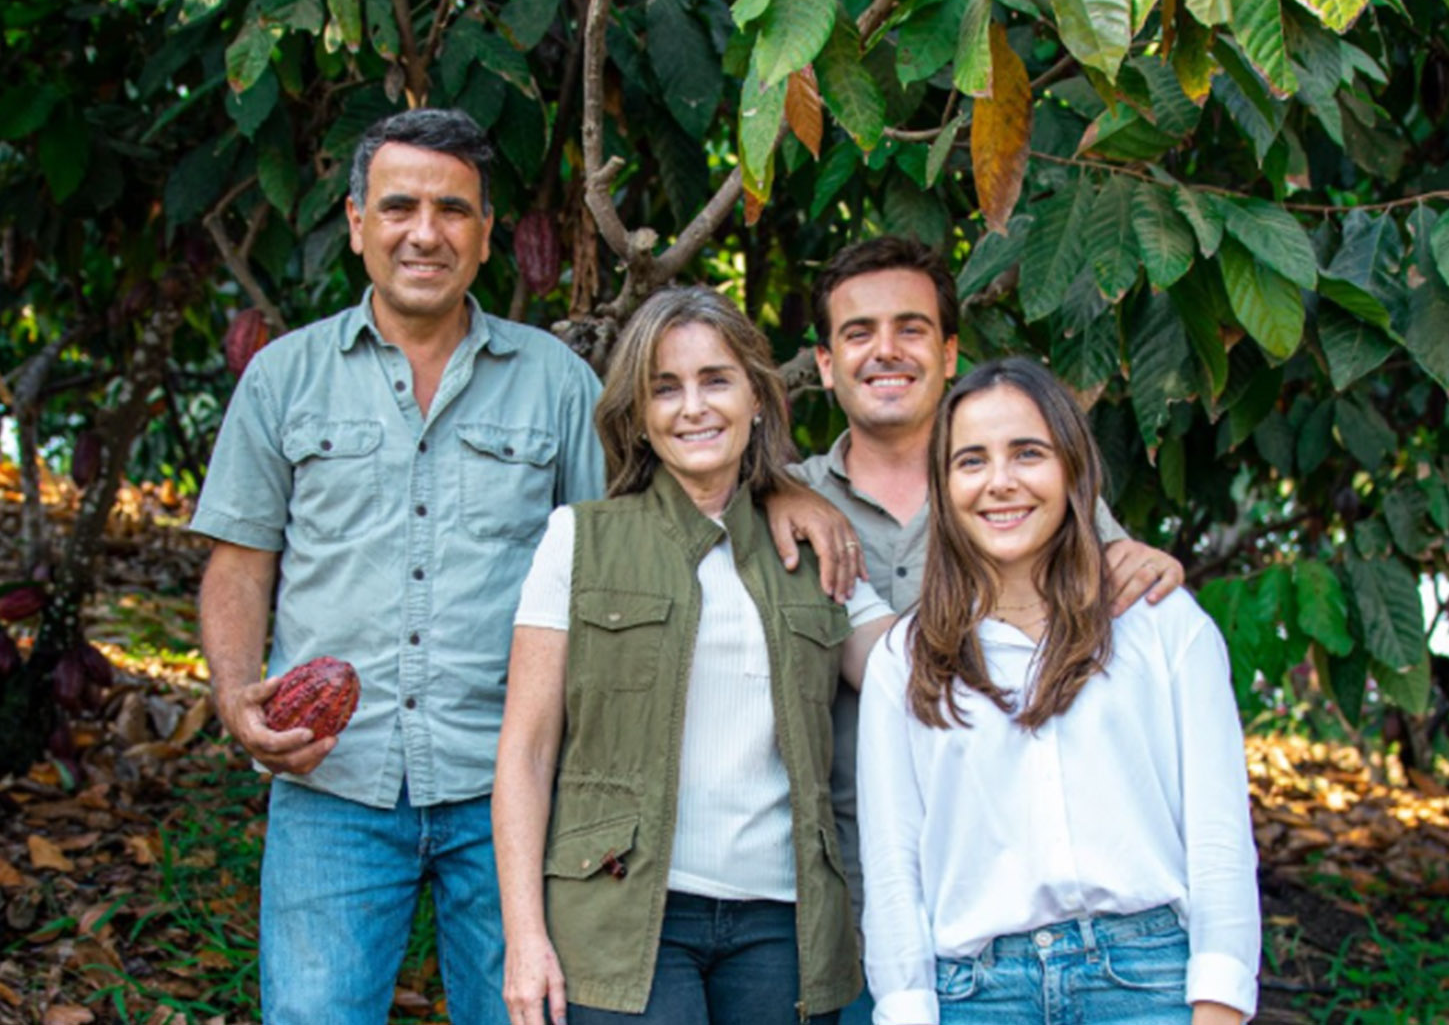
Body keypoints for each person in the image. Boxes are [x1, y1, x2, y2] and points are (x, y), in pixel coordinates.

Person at [193, 109, 854, 1025]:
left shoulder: (555, 384)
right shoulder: (284, 378)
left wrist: (778, 487)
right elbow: (239, 561)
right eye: (398, 207)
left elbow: (653, 508)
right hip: (333, 784)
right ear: (355, 223)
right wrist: (234, 695)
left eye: (452, 210)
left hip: (502, 787)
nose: (425, 232)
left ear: (486, 231)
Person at [791, 237, 1186, 1025]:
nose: (885, 351)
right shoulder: (787, 500)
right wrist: (773, 493)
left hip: (1026, 901)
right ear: (826, 364)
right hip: (851, 896)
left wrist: (1146, 568)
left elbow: (1121, 610)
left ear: (947, 353)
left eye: (910, 328)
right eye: (857, 332)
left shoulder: (1022, 491)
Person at [492, 286, 896, 1025]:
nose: (693, 407)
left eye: (715, 380)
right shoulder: (579, 539)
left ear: (756, 400)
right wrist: (524, 938)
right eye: (664, 389)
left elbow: (908, 676)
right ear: (639, 419)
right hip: (621, 918)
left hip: (784, 921)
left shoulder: (808, 544)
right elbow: (526, 749)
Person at [857, 357, 1259, 1025]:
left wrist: (1218, 1001)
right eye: (971, 461)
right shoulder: (906, 658)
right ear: (943, 486)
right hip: (974, 996)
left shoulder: (1161, 625)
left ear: (1072, 469)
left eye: (1027, 454)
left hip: (1147, 981)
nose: (1000, 483)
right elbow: (894, 868)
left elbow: (1218, 835)